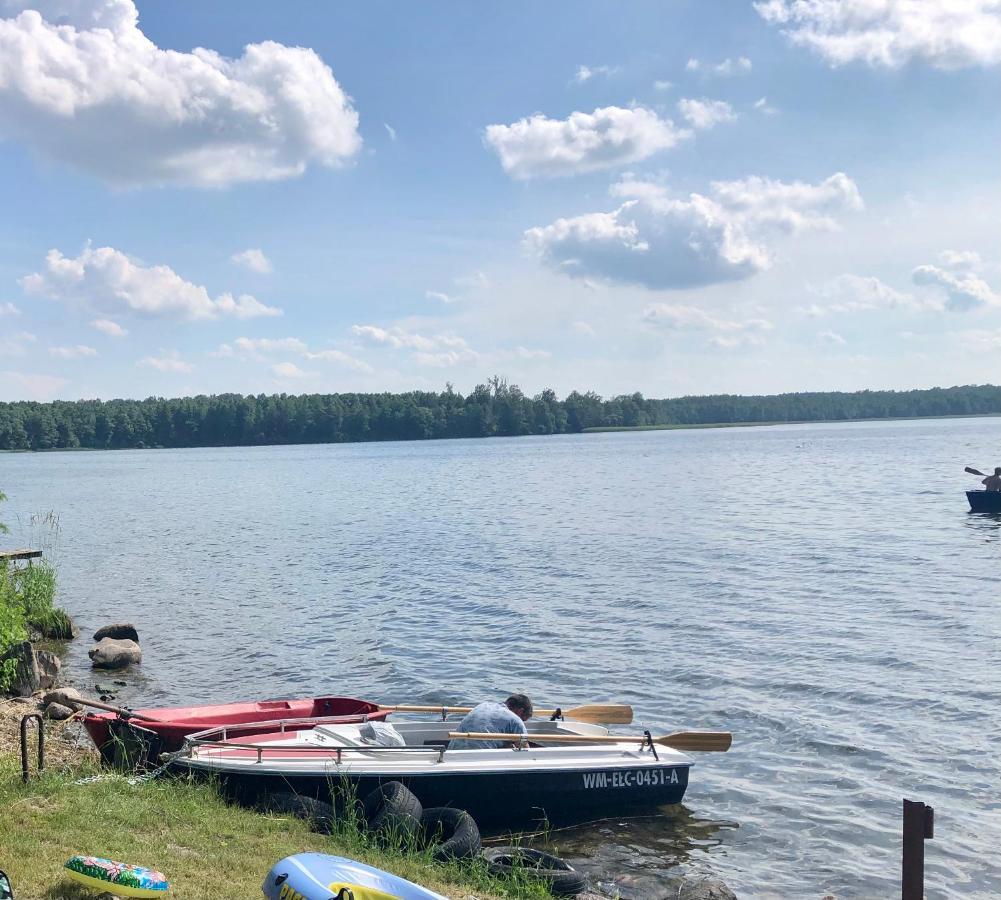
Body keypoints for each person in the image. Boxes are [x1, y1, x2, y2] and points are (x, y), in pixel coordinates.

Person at [448, 694, 534, 749]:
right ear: (520, 711)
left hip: (452, 752)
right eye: (523, 720)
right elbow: (525, 751)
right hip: (476, 759)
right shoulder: (516, 720)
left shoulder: (483, 705)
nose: (522, 722)